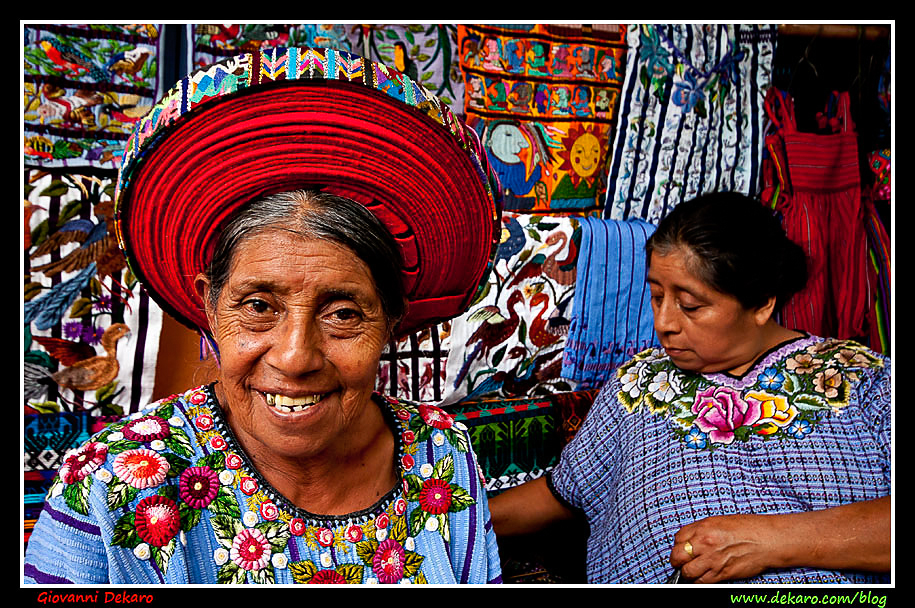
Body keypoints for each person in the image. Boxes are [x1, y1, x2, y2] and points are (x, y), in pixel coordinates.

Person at [24, 47, 504, 585]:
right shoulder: (108, 484)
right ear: (210, 303)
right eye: (258, 307)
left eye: (343, 314)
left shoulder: (444, 455)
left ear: (391, 321)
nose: (296, 357)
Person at [489, 191, 891, 584]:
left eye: (690, 305)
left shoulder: (865, 380)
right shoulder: (639, 383)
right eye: (656, 296)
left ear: (762, 303)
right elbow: (563, 494)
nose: (664, 322)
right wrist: (446, 520)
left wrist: (772, 540)